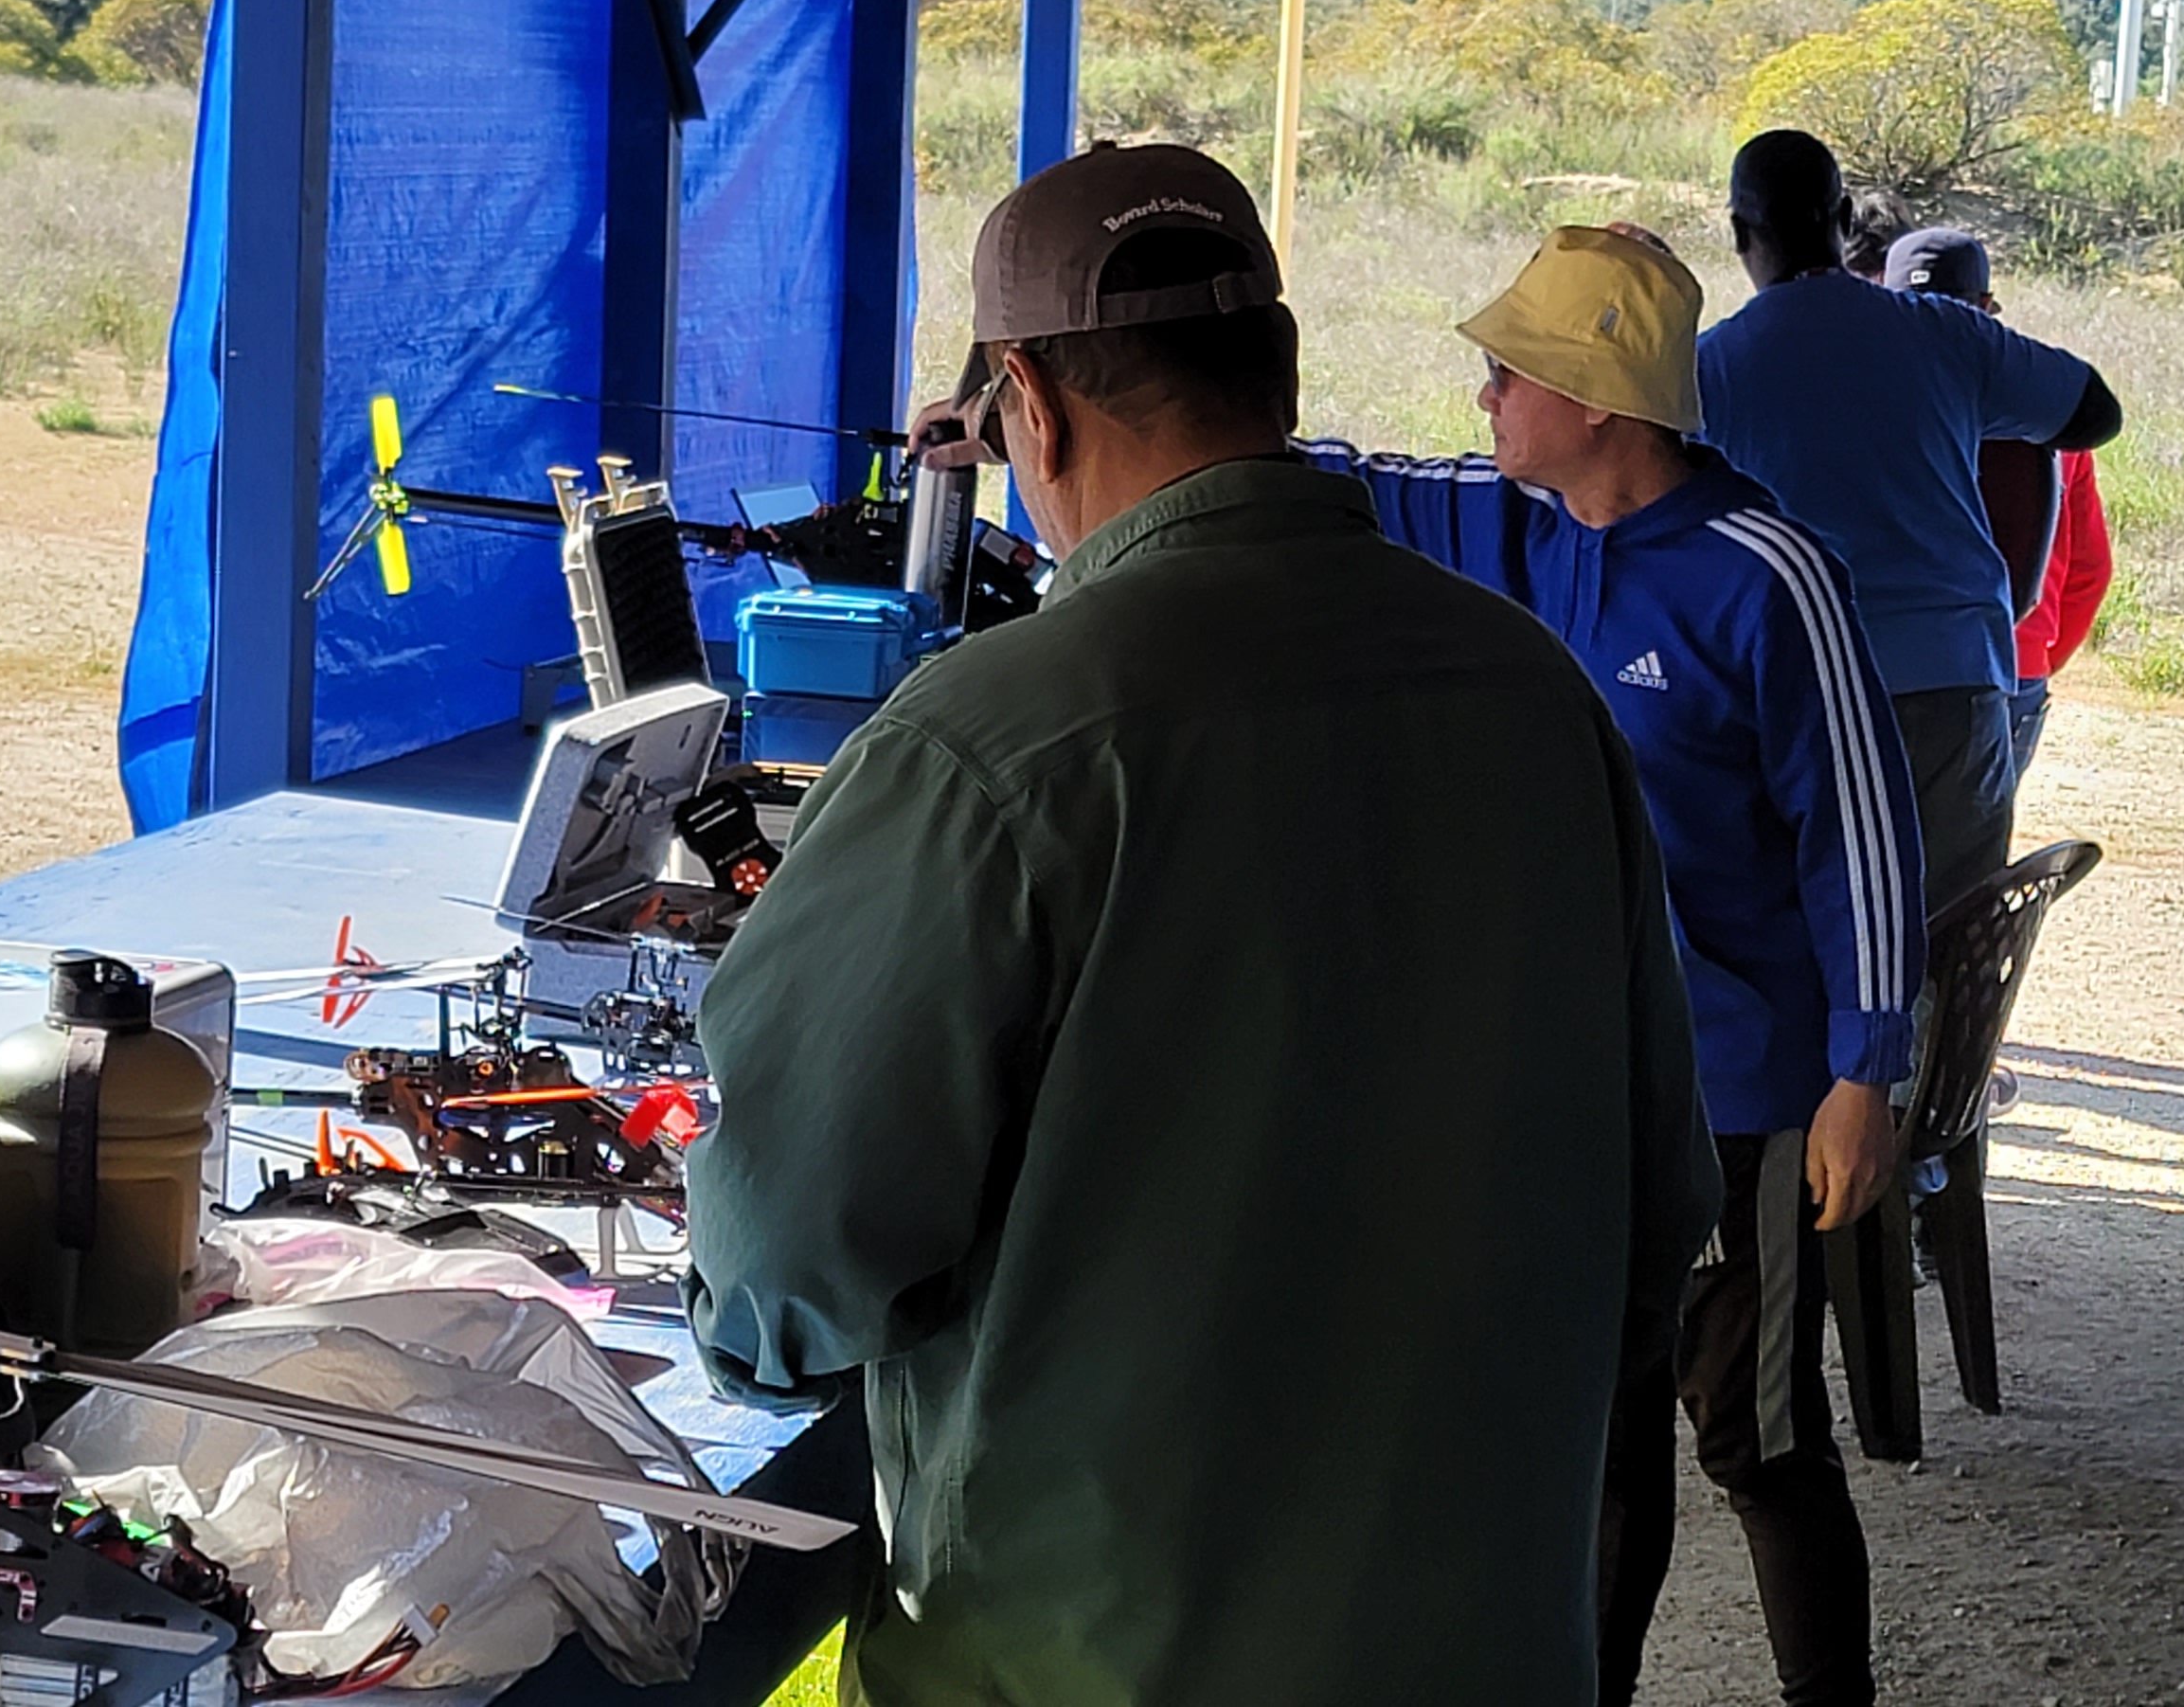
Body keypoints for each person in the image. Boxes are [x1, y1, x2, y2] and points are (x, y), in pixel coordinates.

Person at [685, 145, 1724, 1707]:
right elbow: (1659, 1207)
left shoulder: (990, 741)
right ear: (1282, 369)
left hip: (1082, 1659)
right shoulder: (1537, 695)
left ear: (1032, 410)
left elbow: (787, 1261)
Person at [1299, 225, 1920, 1707]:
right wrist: (1020, 427)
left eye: (1510, 374)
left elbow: (1863, 832)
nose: (1486, 398)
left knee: (1759, 1440)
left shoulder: (1770, 575)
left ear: (1594, 402)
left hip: (1739, 1090)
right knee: (1598, 1436)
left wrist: (1867, 1069)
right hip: (1573, 1080)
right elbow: (1324, 480)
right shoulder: (1513, 521)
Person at [1697, 131, 2122, 912]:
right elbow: (2093, 413)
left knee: (1808, 931)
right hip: (1952, 677)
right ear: (1844, 218)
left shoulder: (1706, 371)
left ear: (1738, 234)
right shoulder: (1945, 333)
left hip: (1796, 684)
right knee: (1947, 929)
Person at [1885, 227, 2114, 765]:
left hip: (1895, 656)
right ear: (1986, 307)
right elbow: (2088, 568)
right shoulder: (2046, 409)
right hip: (2012, 660)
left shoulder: (1870, 403)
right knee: (1980, 822)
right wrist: (2037, 655)